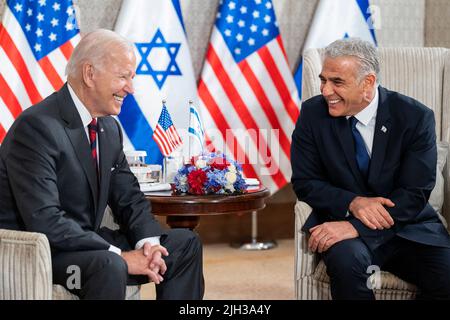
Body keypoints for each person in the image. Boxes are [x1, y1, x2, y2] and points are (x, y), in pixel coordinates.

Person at [0, 29, 204, 300]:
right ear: (89, 74)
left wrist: (150, 246)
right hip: (43, 253)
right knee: (110, 265)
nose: (130, 88)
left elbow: (129, 198)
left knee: (183, 244)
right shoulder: (37, 127)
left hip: (87, 245)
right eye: (123, 77)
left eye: (131, 77)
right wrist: (120, 255)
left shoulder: (108, 128)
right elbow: (45, 220)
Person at [291, 38, 450, 300]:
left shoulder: (414, 116)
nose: (325, 90)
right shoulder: (313, 114)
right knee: (346, 263)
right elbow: (305, 181)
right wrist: (353, 203)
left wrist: (356, 227)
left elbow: (414, 191)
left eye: (337, 82)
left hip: (407, 227)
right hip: (341, 225)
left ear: (368, 83)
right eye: (323, 80)